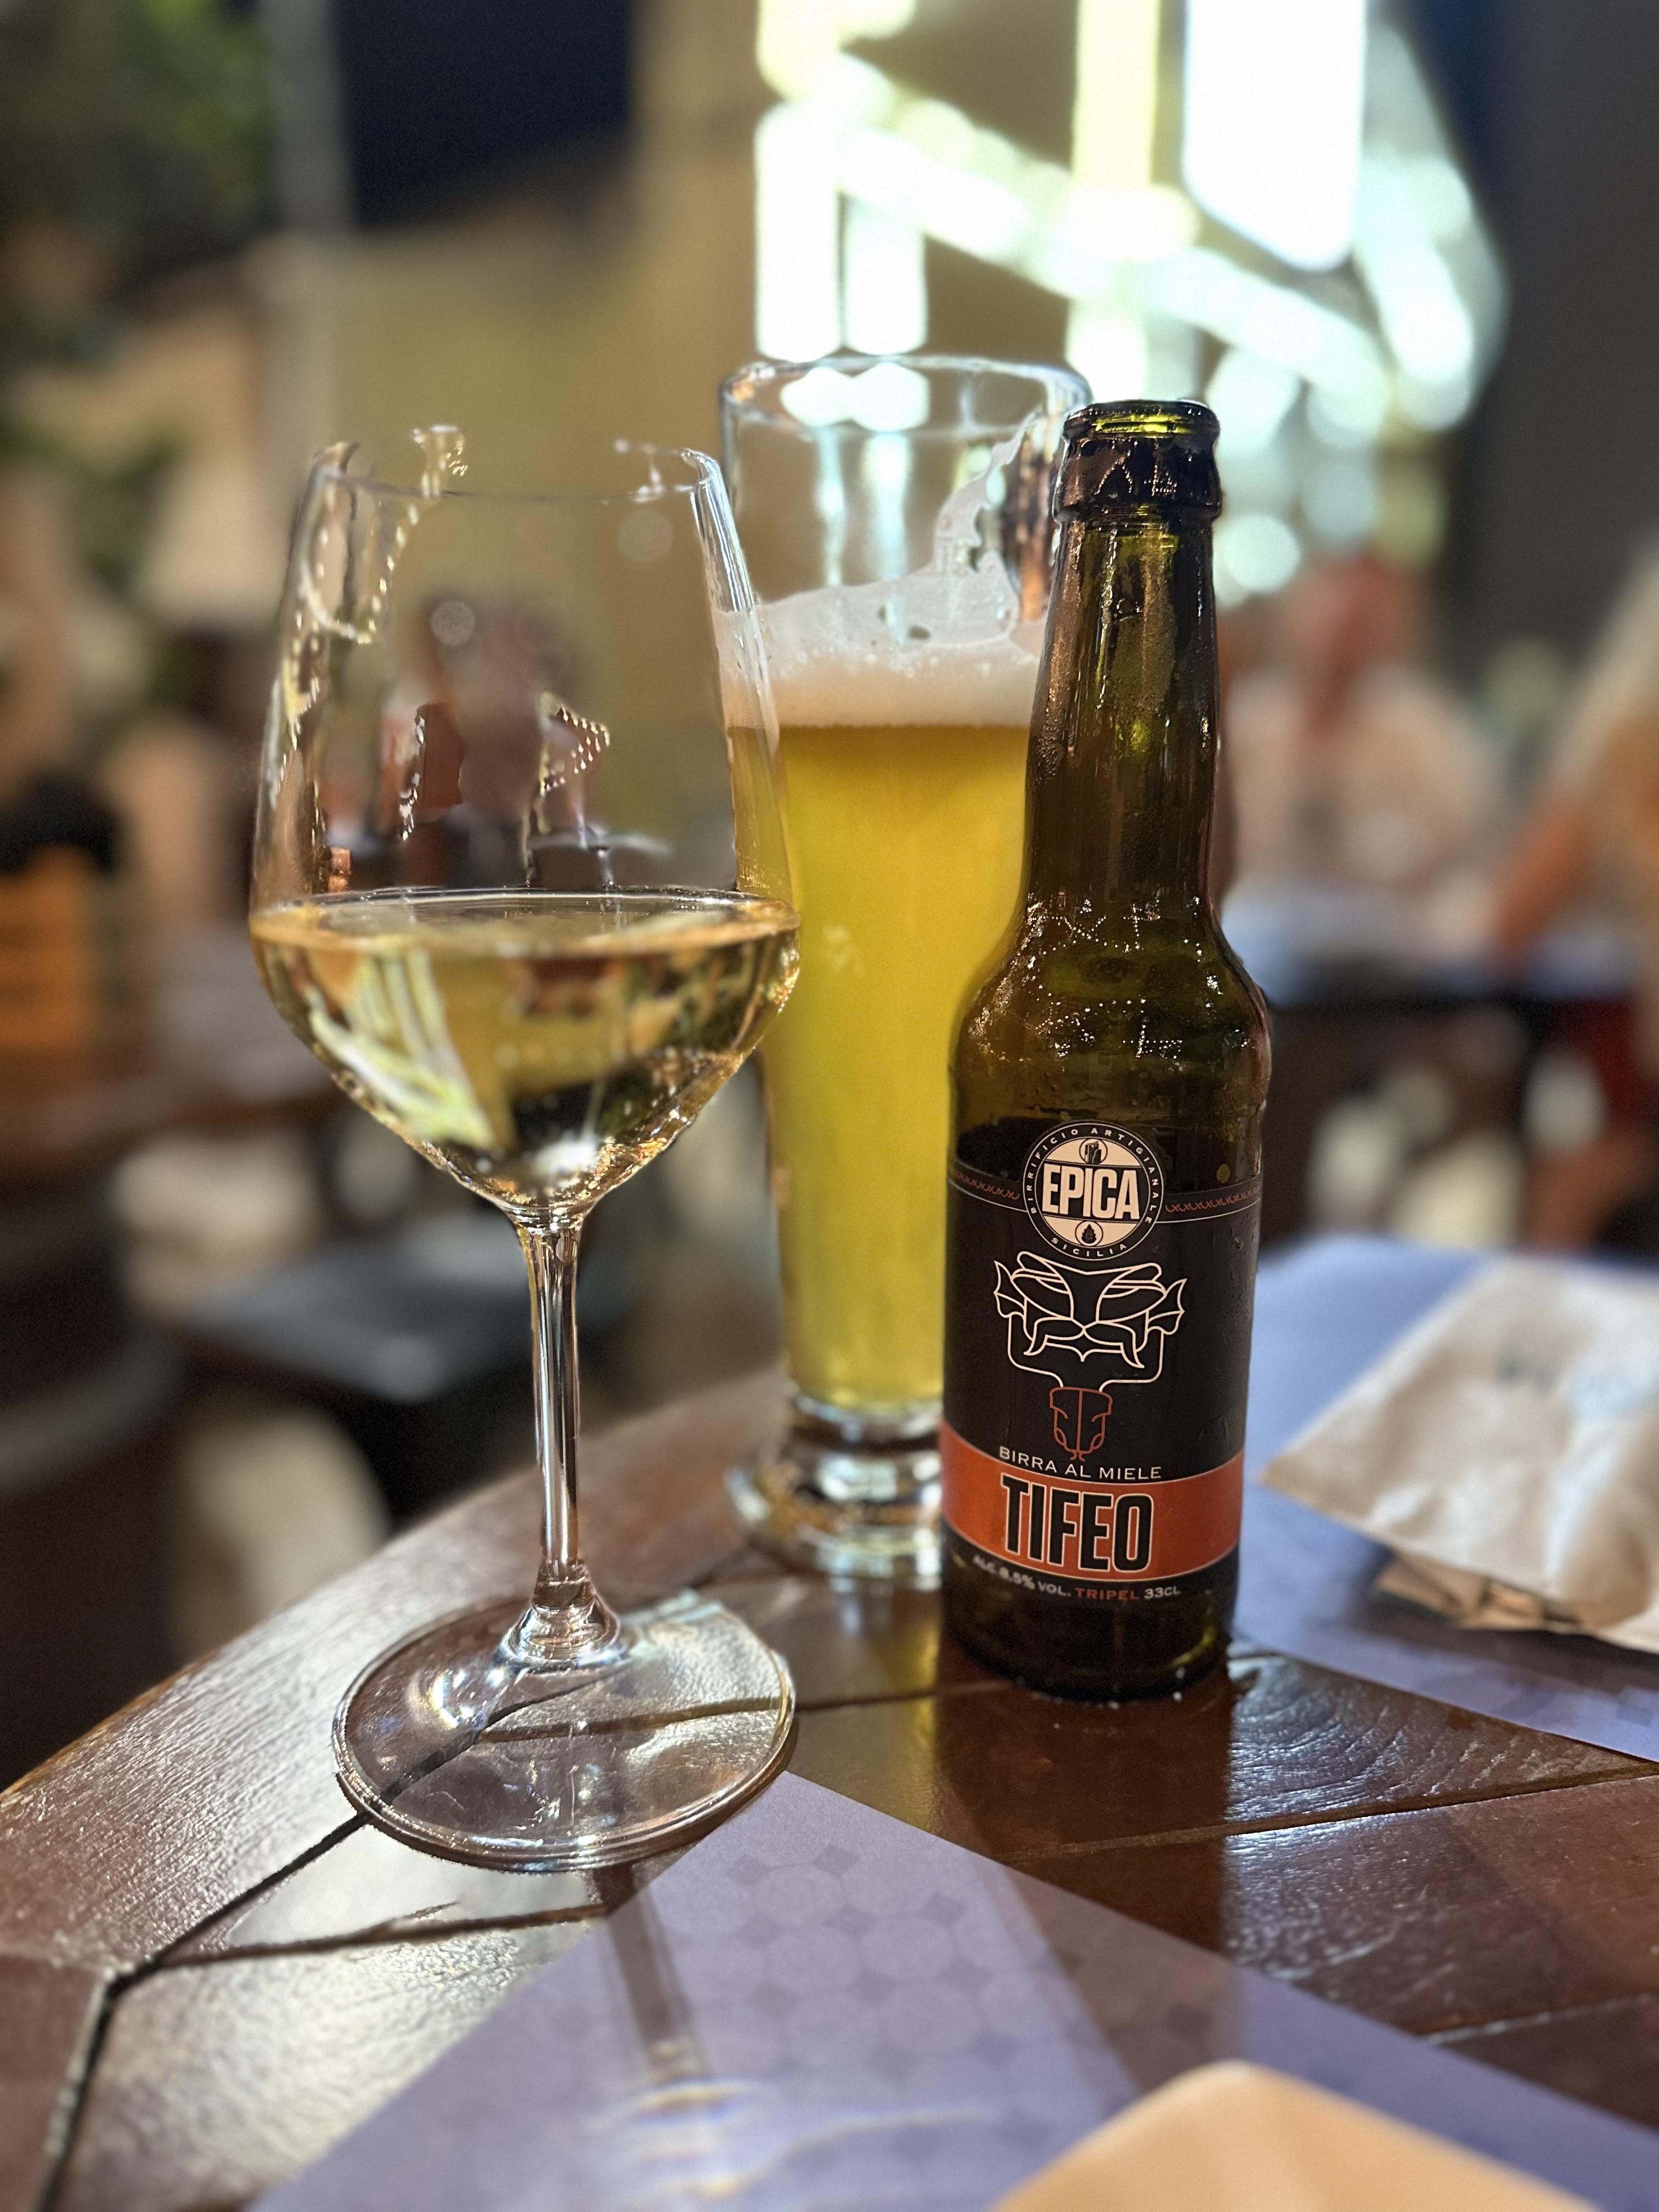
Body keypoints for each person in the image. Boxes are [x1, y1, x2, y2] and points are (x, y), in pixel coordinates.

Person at [1226, 552, 1497, 891]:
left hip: (1388, 916)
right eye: (1332, 608)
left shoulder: (1423, 727)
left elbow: (1466, 837)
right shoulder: (1249, 718)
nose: (1343, 627)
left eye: (1365, 618)